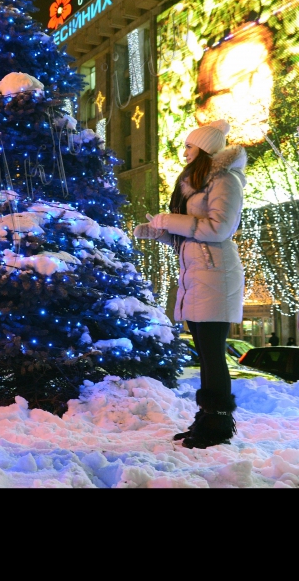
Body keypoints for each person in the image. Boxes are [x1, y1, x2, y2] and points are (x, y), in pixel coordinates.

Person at [134, 118, 246, 449]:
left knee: (213, 354)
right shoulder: (195, 184)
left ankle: (219, 425)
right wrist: (161, 232)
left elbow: (219, 229)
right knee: (206, 352)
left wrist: (171, 220)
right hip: (196, 277)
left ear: (204, 150)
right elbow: (191, 240)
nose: (183, 151)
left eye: (188, 146)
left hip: (216, 276)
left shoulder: (226, 181)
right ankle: (207, 418)